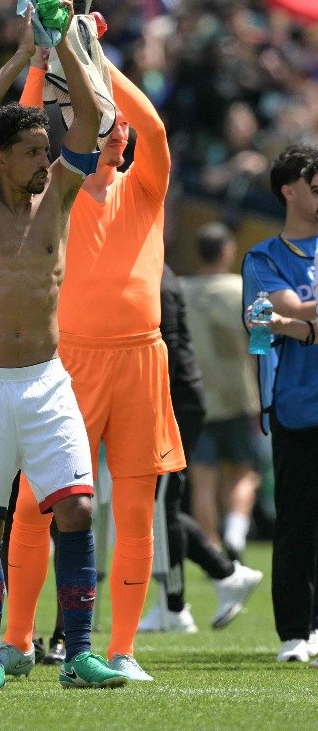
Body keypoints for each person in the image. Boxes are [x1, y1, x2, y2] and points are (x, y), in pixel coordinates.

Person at [0, 0, 126, 691]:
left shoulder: (59, 200)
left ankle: (78, 653)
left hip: (47, 381)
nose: (47, 162)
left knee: (77, 506)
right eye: (31, 152)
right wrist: (22, 56)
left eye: (48, 152)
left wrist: (68, 45)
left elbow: (89, 120)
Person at [2, 0, 183, 682]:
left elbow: (157, 132)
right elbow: (21, 123)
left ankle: (122, 650)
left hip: (141, 360)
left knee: (135, 507)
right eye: (98, 122)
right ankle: (17, 641)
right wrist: (50, 55)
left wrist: (95, 54)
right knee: (35, 501)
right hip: (68, 361)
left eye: (117, 125)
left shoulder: (145, 187)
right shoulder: (57, 185)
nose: (111, 131)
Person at [138, 265, 262, 636]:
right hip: (187, 399)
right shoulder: (160, 271)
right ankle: (224, 574)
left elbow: (169, 347)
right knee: (163, 504)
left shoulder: (158, 275)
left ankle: (176, 605)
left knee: (163, 504)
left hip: (175, 401)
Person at [241, 145, 318, 664]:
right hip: (296, 404)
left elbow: (292, 314)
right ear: (289, 190)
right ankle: (295, 632)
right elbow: (277, 314)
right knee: (296, 523)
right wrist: (293, 319)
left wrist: (295, 318)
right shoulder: (263, 257)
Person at [182, 223, 263, 557]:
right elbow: (260, 344)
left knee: (203, 480)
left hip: (197, 398)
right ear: (228, 251)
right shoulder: (243, 289)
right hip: (239, 396)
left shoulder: (181, 290)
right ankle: (236, 533)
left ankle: (212, 548)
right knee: (246, 472)